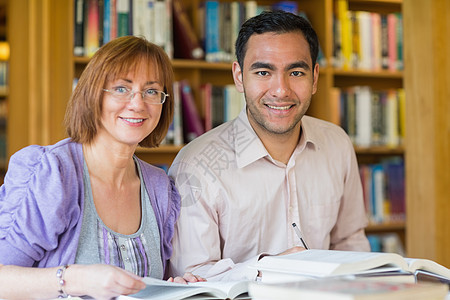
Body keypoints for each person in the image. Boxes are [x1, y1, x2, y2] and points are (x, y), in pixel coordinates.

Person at [168, 10, 370, 282]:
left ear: (315, 77)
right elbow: (193, 278)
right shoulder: (195, 166)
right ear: (239, 77)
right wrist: (269, 269)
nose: (281, 90)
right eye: (263, 72)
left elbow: (350, 242)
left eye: (296, 72)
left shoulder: (337, 144)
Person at [0, 36, 203, 299]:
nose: (138, 103)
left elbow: (147, 282)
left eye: (151, 91)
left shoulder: (159, 187)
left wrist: (173, 286)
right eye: (121, 88)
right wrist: (73, 279)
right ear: (93, 93)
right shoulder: (52, 173)